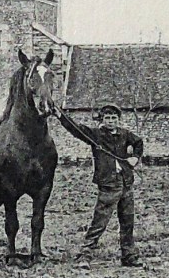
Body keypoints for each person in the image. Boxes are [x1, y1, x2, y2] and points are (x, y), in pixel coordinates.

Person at [58, 104, 145, 267]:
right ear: (102, 119)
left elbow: (139, 142)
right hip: (108, 184)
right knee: (100, 221)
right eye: (107, 118)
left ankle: (129, 256)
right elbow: (76, 129)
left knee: (127, 222)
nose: (111, 121)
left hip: (126, 182)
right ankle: (85, 255)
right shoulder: (96, 135)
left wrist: (135, 157)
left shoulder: (125, 134)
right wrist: (60, 116)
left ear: (118, 120)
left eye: (114, 118)